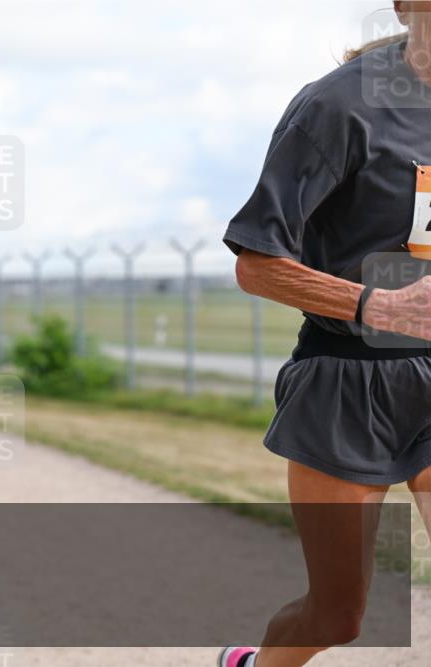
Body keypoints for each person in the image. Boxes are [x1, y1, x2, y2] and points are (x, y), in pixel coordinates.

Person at [219, 5, 431, 666]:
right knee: (337, 614)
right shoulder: (338, 108)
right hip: (347, 383)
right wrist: (376, 305)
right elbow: (256, 265)